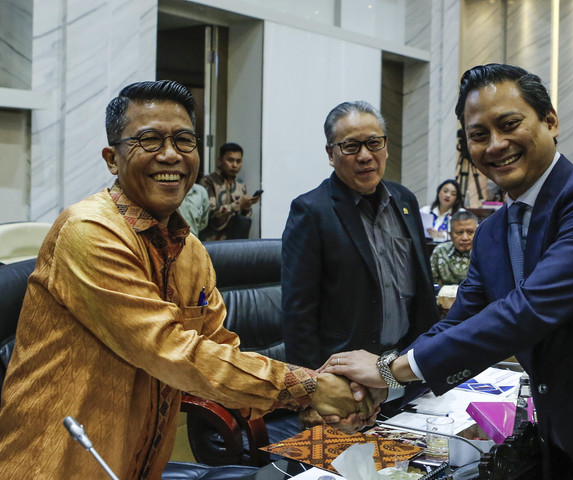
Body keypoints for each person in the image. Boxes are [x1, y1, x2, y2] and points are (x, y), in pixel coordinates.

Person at [322, 64, 573, 479]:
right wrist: (383, 389)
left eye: (509, 124)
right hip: (568, 437)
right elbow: (459, 323)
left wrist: (389, 368)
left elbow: (528, 309)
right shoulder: (491, 233)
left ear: (550, 121)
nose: (496, 145)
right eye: (479, 135)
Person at [0, 81, 374, 480]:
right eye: (149, 140)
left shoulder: (190, 250)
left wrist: (316, 403)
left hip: (140, 466)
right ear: (112, 159)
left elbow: (220, 352)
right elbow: (169, 350)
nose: (170, 154)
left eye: (183, 140)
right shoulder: (88, 232)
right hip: (57, 464)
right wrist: (310, 388)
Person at [281, 100, 439, 376]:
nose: (365, 156)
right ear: (331, 154)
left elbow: (421, 290)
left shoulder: (404, 200)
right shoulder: (311, 212)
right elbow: (298, 317)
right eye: (351, 146)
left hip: (405, 366)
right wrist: (314, 387)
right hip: (346, 377)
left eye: (374, 143)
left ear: (386, 146)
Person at [199, 142, 260, 240]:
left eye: (238, 161)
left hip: (235, 240)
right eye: (230, 160)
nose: (235, 165)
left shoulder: (240, 184)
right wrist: (238, 205)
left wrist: (246, 206)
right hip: (211, 241)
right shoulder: (208, 181)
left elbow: (244, 216)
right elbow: (210, 213)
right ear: (220, 160)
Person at [429, 210, 478, 286]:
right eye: (459, 232)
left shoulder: (484, 253)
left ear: (478, 233)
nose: (465, 238)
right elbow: (431, 284)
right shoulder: (441, 251)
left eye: (470, 232)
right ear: (450, 235)